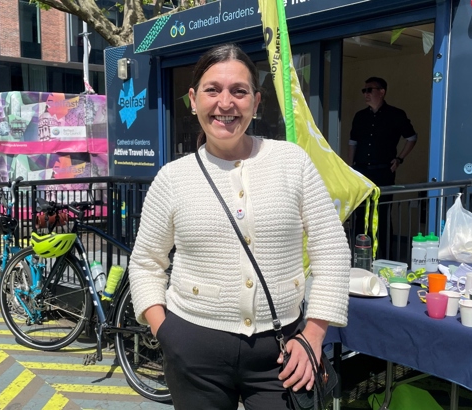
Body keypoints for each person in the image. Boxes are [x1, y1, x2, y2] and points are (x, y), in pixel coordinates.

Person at [129, 43, 351, 410]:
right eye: (212, 90)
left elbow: (331, 249)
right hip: (193, 350)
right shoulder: (172, 178)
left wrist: (314, 334)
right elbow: (146, 263)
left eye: (239, 91)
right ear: (193, 99)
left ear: (256, 101)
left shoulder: (291, 162)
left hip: (282, 352)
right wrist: (165, 333)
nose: (225, 103)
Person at [348, 77, 417, 257]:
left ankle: (384, 256)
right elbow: (352, 143)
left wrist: (399, 159)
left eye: (369, 90)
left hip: (383, 171)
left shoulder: (396, 115)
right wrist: (349, 167)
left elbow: (411, 138)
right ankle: (359, 255)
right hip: (361, 171)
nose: (366, 94)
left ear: (382, 92)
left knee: (382, 214)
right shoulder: (360, 116)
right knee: (360, 214)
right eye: (364, 91)